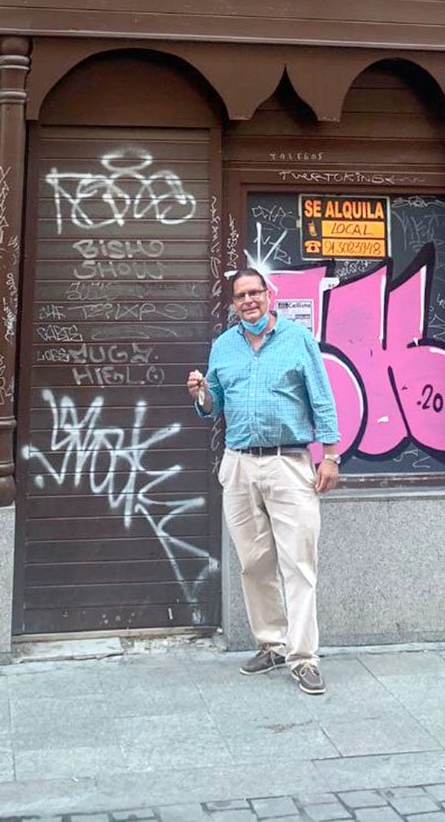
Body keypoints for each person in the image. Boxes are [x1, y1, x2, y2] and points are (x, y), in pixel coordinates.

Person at [187, 267, 339, 696]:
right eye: (240, 296)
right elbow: (214, 406)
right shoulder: (223, 346)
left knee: (298, 564)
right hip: (239, 465)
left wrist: (330, 456)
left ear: (269, 296)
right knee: (254, 563)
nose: (248, 301)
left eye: (255, 292)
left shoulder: (297, 339)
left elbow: (322, 398)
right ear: (233, 303)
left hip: (288, 463)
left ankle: (303, 657)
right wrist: (200, 394)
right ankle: (271, 644)